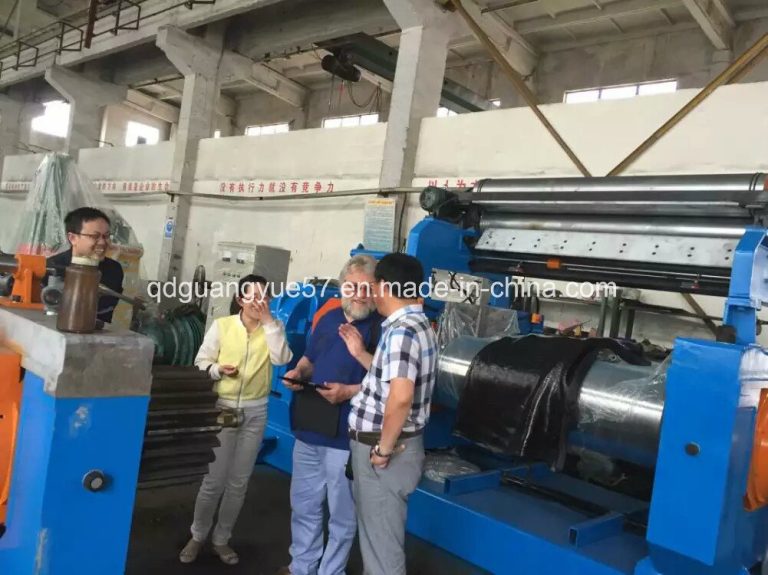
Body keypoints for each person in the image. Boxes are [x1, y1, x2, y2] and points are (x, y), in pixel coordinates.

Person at [276, 255, 382, 575]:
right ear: (342, 287)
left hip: (348, 437)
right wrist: (297, 372)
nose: (359, 294)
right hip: (311, 426)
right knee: (304, 504)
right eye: (353, 286)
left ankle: (331, 572)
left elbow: (391, 384)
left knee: (342, 515)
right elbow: (309, 359)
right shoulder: (329, 318)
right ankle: (302, 566)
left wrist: (349, 392)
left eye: (367, 288)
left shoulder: (383, 328)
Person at [180, 274, 292, 566]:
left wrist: (269, 323)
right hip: (223, 408)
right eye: (252, 297)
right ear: (240, 300)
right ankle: (198, 535)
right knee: (213, 480)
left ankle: (221, 539)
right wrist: (217, 370)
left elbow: (282, 359)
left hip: (256, 413)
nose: (259, 302)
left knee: (239, 482)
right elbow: (201, 362)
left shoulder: (274, 328)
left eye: (264, 297)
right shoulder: (223, 326)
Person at [347, 253, 438, 575]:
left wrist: (383, 450)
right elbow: (390, 378)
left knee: (381, 547)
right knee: (381, 539)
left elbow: (400, 397)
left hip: (385, 453)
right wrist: (361, 354)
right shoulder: (420, 324)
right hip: (396, 447)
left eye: (373, 286)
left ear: (384, 286)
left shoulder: (402, 332)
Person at [46, 207, 123, 323]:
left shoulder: (114, 271)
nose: (102, 242)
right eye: (94, 236)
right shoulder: (52, 268)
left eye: (106, 236)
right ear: (73, 238)